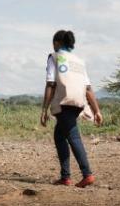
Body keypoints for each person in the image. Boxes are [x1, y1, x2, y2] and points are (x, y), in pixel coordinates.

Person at [40, 29, 103, 187]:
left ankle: (87, 174)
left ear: (57, 43)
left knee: (73, 137)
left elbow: (51, 84)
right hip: (78, 103)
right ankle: (65, 177)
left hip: (64, 102)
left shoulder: (54, 57)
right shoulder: (79, 61)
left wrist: (44, 109)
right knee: (59, 136)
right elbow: (88, 88)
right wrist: (97, 111)